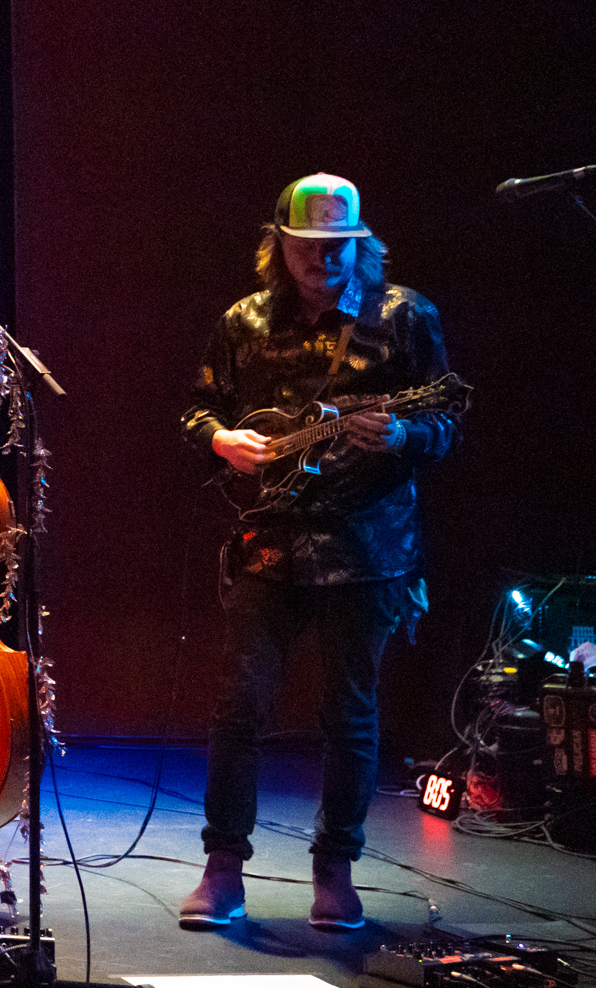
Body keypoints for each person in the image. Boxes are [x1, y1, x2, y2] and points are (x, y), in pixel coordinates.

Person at [179, 174, 455, 932]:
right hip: (267, 541)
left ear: (359, 248)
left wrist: (404, 433)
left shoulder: (404, 318)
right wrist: (220, 439)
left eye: (338, 248)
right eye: (308, 247)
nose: (322, 261)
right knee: (240, 707)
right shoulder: (244, 321)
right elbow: (199, 408)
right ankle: (223, 870)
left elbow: (445, 419)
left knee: (350, 714)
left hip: (366, 546)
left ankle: (335, 872)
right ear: (282, 246)